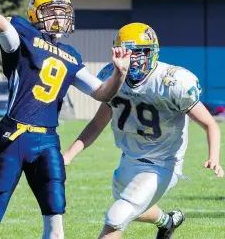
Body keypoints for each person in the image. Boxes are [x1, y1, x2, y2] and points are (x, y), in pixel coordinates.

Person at [0, 0, 131, 239]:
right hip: (14, 134)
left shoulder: (72, 57)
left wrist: (119, 75)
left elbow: (101, 93)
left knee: (55, 212)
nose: (60, 18)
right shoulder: (21, 37)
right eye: (52, 11)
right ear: (36, 14)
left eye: (63, 12)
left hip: (48, 139)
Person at [63, 23, 224, 239]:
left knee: (117, 216)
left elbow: (210, 124)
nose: (134, 59)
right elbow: (96, 124)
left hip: (163, 163)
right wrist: (69, 155)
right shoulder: (111, 77)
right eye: (129, 52)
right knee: (133, 208)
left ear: (153, 52)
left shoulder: (172, 81)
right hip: (129, 159)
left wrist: (213, 157)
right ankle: (167, 222)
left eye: (141, 53)